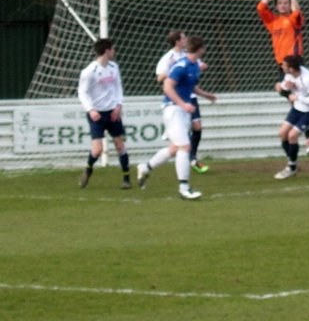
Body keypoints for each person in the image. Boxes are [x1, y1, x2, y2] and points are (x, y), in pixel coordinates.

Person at [137, 36, 217, 200]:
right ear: (200, 49)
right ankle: (184, 188)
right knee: (185, 148)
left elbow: (191, 86)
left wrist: (206, 95)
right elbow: (167, 86)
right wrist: (182, 104)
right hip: (173, 110)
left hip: (183, 111)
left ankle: (145, 167)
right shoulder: (181, 66)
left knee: (174, 149)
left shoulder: (194, 65)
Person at [257, 0, 309, 153]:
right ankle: (308, 134)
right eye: (280, 3)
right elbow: (261, 7)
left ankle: (306, 134)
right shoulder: (272, 21)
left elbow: (297, 12)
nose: (283, 5)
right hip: (282, 65)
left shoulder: (294, 20)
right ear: (276, 6)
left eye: (286, 3)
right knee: (290, 96)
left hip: (295, 64)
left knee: (295, 97)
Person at [77, 38, 130, 189]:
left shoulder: (114, 67)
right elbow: (82, 92)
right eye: (113, 49)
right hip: (97, 115)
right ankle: (88, 170)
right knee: (97, 149)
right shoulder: (89, 71)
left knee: (120, 145)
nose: (114, 51)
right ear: (107, 51)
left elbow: (118, 87)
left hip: (113, 113)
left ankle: (126, 179)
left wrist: (118, 105)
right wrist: (91, 110)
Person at [155, 30, 209, 174]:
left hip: (191, 95)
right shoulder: (169, 58)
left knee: (197, 127)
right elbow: (160, 78)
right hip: (177, 101)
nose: (186, 39)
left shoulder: (188, 54)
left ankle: (192, 158)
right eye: (184, 37)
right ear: (177, 41)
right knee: (178, 144)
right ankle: (183, 169)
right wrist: (174, 71)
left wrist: (202, 67)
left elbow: (199, 65)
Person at [273, 55, 309, 180]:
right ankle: (293, 163)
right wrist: (281, 88)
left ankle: (291, 168)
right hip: (298, 108)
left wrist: (297, 97)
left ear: (291, 68)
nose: (282, 67)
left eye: (284, 65)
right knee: (282, 134)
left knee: (292, 135)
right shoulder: (289, 75)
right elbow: (287, 87)